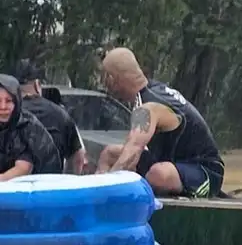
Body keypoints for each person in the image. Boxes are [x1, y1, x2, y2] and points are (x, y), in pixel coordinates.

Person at [94, 47, 225, 198]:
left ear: (111, 79)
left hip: (204, 171)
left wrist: (106, 191)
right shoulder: (149, 92)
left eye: (104, 78)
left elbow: (133, 150)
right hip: (169, 163)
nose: (105, 85)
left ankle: (117, 202)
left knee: (158, 174)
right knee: (110, 153)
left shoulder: (149, 107)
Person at [0, 74, 63, 180]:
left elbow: (23, 168)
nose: (3, 107)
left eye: (9, 101)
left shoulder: (28, 128)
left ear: (17, 102)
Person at [13, 59, 87, 173]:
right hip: (51, 186)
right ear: (37, 85)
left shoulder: (4, 115)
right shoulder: (61, 114)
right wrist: (67, 180)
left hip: (14, 186)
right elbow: (79, 157)